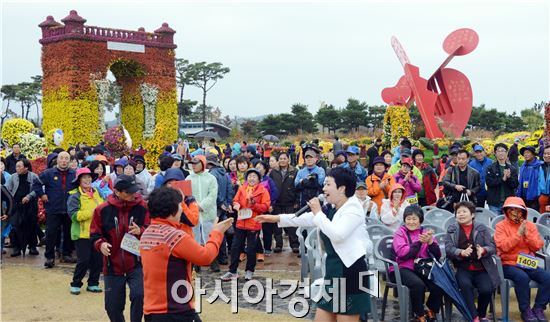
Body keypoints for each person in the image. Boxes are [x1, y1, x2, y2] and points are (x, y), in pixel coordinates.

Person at [256, 167, 373, 321]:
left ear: (342, 188)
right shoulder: (331, 207)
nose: (323, 188)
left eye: (328, 184)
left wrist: (318, 213)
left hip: (350, 273)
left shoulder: (353, 208)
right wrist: (276, 218)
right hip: (333, 271)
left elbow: (338, 234)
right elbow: (305, 218)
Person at [140, 187, 232, 322]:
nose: (182, 209)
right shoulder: (173, 236)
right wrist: (217, 233)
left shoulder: (147, 233)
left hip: (152, 309)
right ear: (172, 210)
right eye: (180, 205)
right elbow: (206, 257)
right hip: (176, 309)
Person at [90, 174, 150, 322]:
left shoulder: (143, 207)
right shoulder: (101, 210)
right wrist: (101, 244)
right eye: (128, 192)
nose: (133, 194)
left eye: (134, 191)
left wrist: (141, 231)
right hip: (112, 264)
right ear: (117, 192)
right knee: (112, 307)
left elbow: (151, 228)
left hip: (137, 263)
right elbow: (95, 234)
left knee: (139, 295)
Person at [494, 197, 550, 322]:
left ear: (524, 212)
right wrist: (518, 234)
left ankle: (538, 308)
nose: (516, 213)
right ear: (507, 211)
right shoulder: (500, 226)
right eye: (512, 210)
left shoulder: (529, 225)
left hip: (526, 261)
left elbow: (537, 245)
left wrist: (527, 235)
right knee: (522, 277)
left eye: (519, 210)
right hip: (508, 263)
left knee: (547, 278)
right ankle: (525, 310)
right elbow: (503, 247)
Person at [444, 201, 499, 322]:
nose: (461, 214)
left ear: (472, 215)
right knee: (465, 285)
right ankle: (474, 317)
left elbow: (492, 247)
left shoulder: (481, 228)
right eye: (458, 212)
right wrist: (460, 252)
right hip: (462, 268)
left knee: (487, 289)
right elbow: (448, 248)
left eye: (464, 211)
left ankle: (481, 314)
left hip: (481, 267)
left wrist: (483, 250)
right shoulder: (452, 229)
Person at [391, 205, 444, 322]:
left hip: (421, 267)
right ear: (404, 220)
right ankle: (419, 315)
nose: (411, 222)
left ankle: (431, 310)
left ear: (420, 220)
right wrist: (419, 242)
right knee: (417, 285)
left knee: (440, 283)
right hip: (402, 267)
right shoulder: (400, 233)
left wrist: (430, 242)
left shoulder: (425, 232)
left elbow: (437, 256)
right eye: (408, 219)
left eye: (414, 219)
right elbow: (403, 254)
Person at [221, 168, 270, 281]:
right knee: (235, 247)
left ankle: (249, 270)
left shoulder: (263, 190)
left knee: (251, 248)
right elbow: (235, 200)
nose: (251, 178)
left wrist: (254, 205)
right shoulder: (242, 188)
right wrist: (236, 204)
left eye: (254, 176)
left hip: (253, 223)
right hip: (240, 222)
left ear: (258, 179)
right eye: (250, 176)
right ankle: (232, 271)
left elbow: (265, 206)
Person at [33, 151, 76, 267]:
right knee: (51, 233)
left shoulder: (74, 174)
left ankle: (66, 254)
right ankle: (49, 257)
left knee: (68, 233)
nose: (64, 161)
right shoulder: (49, 173)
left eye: (66, 159)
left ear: (70, 161)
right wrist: (42, 195)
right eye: (61, 158)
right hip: (53, 208)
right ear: (57, 160)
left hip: (68, 209)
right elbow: (36, 184)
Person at [67, 167, 104, 295]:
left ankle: (93, 283)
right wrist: (93, 213)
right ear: (79, 180)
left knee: (97, 260)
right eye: (84, 177)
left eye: (89, 177)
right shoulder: (74, 196)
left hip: (97, 233)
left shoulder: (97, 192)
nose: (87, 179)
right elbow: (73, 216)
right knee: (84, 260)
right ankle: (76, 283)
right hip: (82, 233)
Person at [188, 155, 219, 273]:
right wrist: (194, 207)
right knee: (194, 239)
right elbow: (186, 196)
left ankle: (213, 261)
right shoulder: (188, 178)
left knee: (209, 237)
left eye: (196, 163)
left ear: (203, 164)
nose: (194, 165)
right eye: (192, 163)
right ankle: (196, 263)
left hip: (207, 214)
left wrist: (202, 206)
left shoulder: (211, 178)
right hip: (193, 214)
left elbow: (212, 195)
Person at [205, 153, 234, 270]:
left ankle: (216, 258)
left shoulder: (211, 174)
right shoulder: (225, 174)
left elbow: (213, 192)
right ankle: (224, 257)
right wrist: (227, 204)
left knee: (214, 232)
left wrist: (220, 203)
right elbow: (229, 189)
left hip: (215, 207)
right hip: (224, 206)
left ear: (209, 163)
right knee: (221, 232)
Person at [5, 159, 40, 257]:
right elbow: (7, 188)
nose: (17, 168)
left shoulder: (33, 176)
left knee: (31, 226)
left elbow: (38, 189)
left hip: (30, 205)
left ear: (26, 167)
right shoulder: (13, 177)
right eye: (16, 166)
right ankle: (16, 247)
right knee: (16, 226)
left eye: (19, 166)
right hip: (16, 205)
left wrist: (29, 196)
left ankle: (32, 247)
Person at [269, 152, 299, 253]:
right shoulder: (273, 172)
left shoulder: (294, 171)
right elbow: (270, 187)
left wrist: (296, 200)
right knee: (277, 225)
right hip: (277, 202)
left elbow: (297, 187)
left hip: (290, 202)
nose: (282, 160)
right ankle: (278, 245)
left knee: (291, 225)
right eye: (280, 159)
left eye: (284, 158)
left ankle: (294, 245)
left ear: (288, 160)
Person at [486, 143, 519, 215]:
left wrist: (509, 177)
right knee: (495, 224)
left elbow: (515, 185)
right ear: (495, 153)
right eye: (498, 151)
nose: (501, 153)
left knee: (508, 225)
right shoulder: (490, 168)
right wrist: (502, 179)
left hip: (508, 203)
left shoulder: (512, 168)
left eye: (503, 151)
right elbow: (489, 182)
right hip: (494, 203)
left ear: (507, 153)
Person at [517, 146, 542, 210]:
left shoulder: (540, 165)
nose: (525, 155)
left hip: (535, 197)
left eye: (528, 152)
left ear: (533, 154)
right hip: (523, 196)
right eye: (524, 153)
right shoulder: (523, 165)